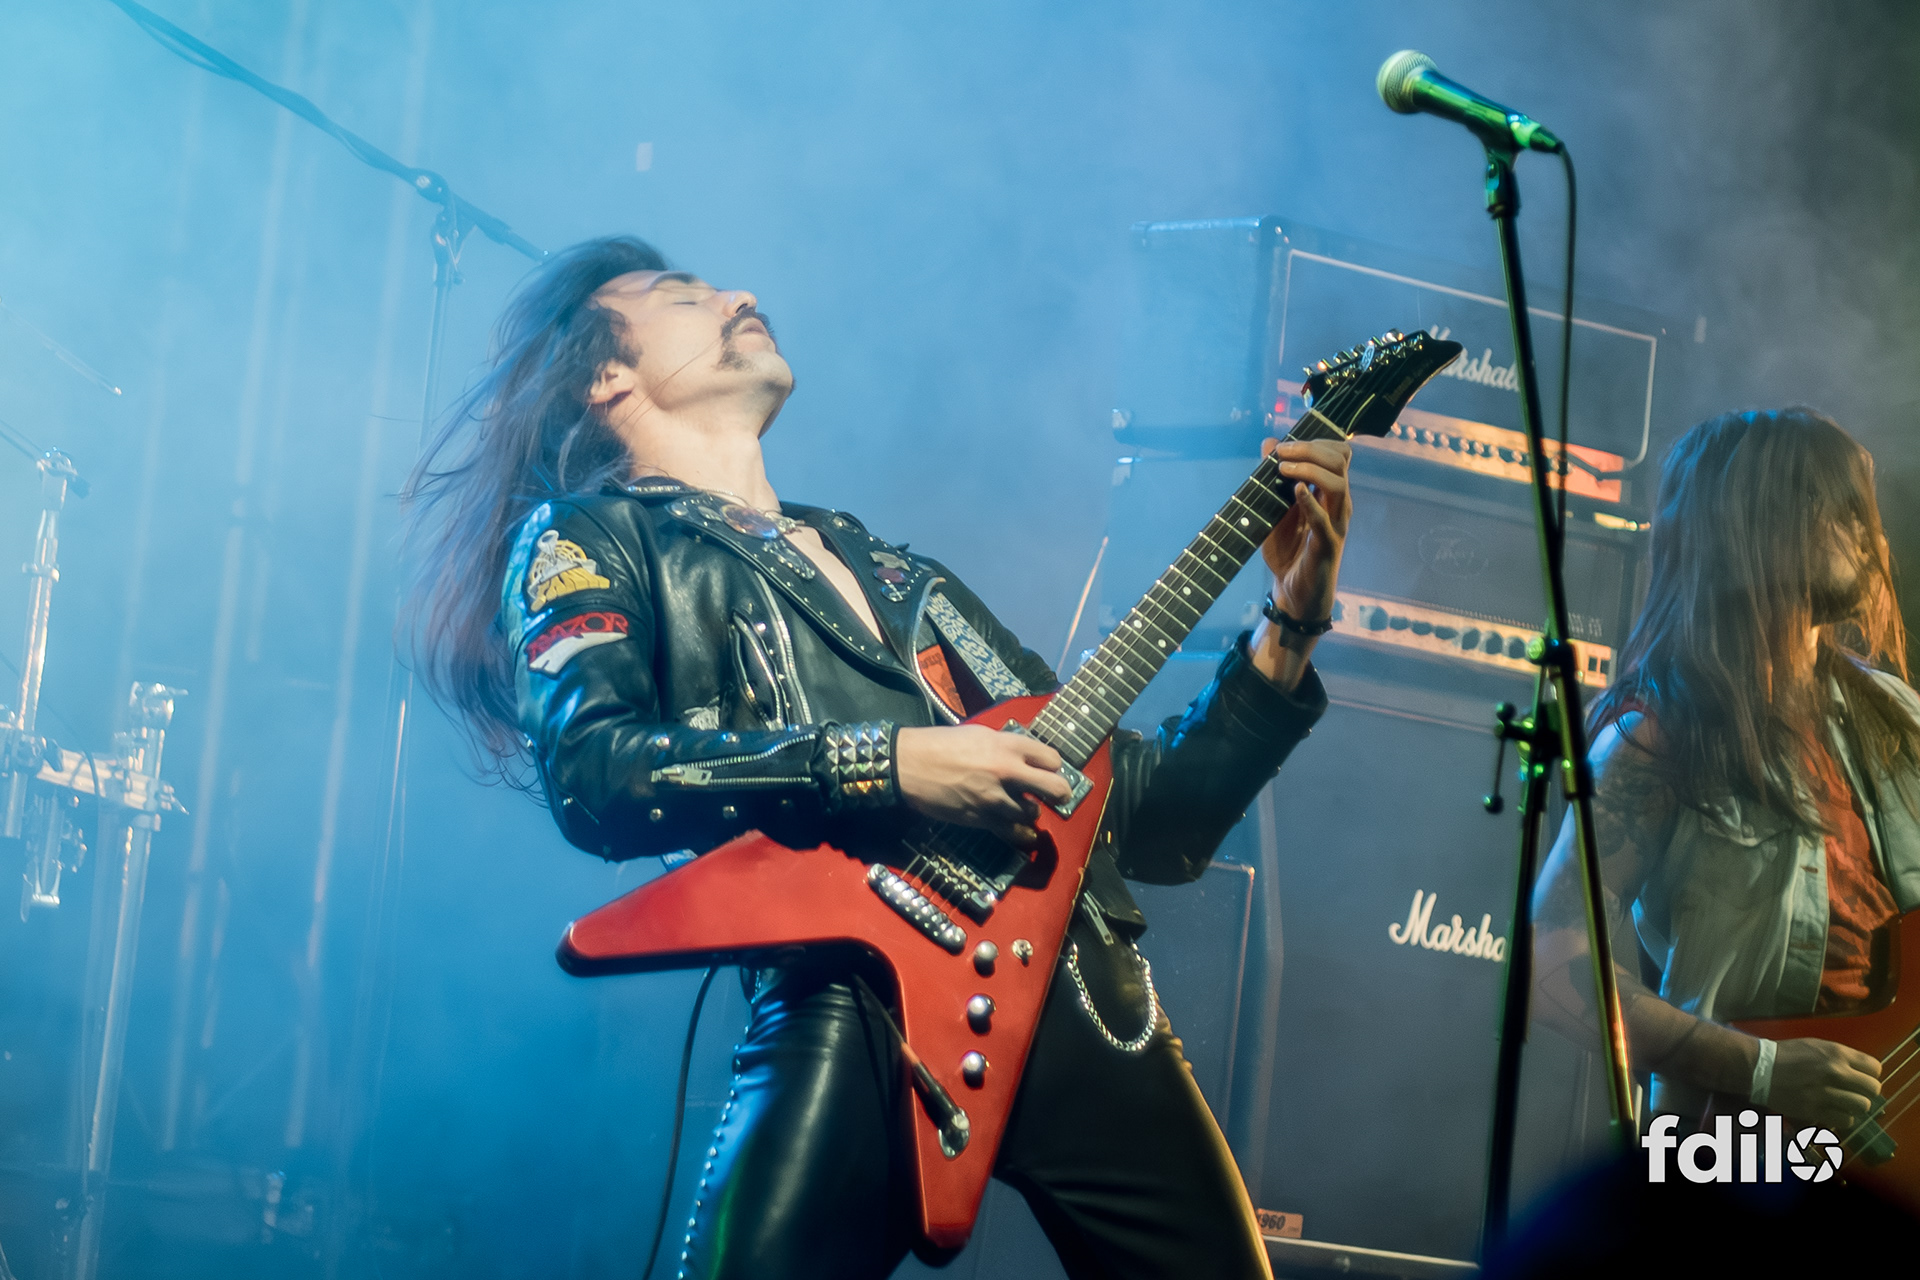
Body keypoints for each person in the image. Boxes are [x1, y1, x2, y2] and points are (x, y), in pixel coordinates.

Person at [402, 236, 1353, 1280]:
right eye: (682, 293)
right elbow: (597, 774)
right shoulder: (588, 537)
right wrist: (888, 763)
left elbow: (1156, 820)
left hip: (1083, 990)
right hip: (855, 998)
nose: (738, 292)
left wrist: (1291, 623)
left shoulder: (895, 570)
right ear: (604, 375)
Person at [1533, 407, 1920, 1136]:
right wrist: (1761, 1069)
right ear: (1761, 526)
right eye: (1841, 510)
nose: (1871, 536)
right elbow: (1549, 964)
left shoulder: (1897, 718)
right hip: (1735, 1152)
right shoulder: (1658, 739)